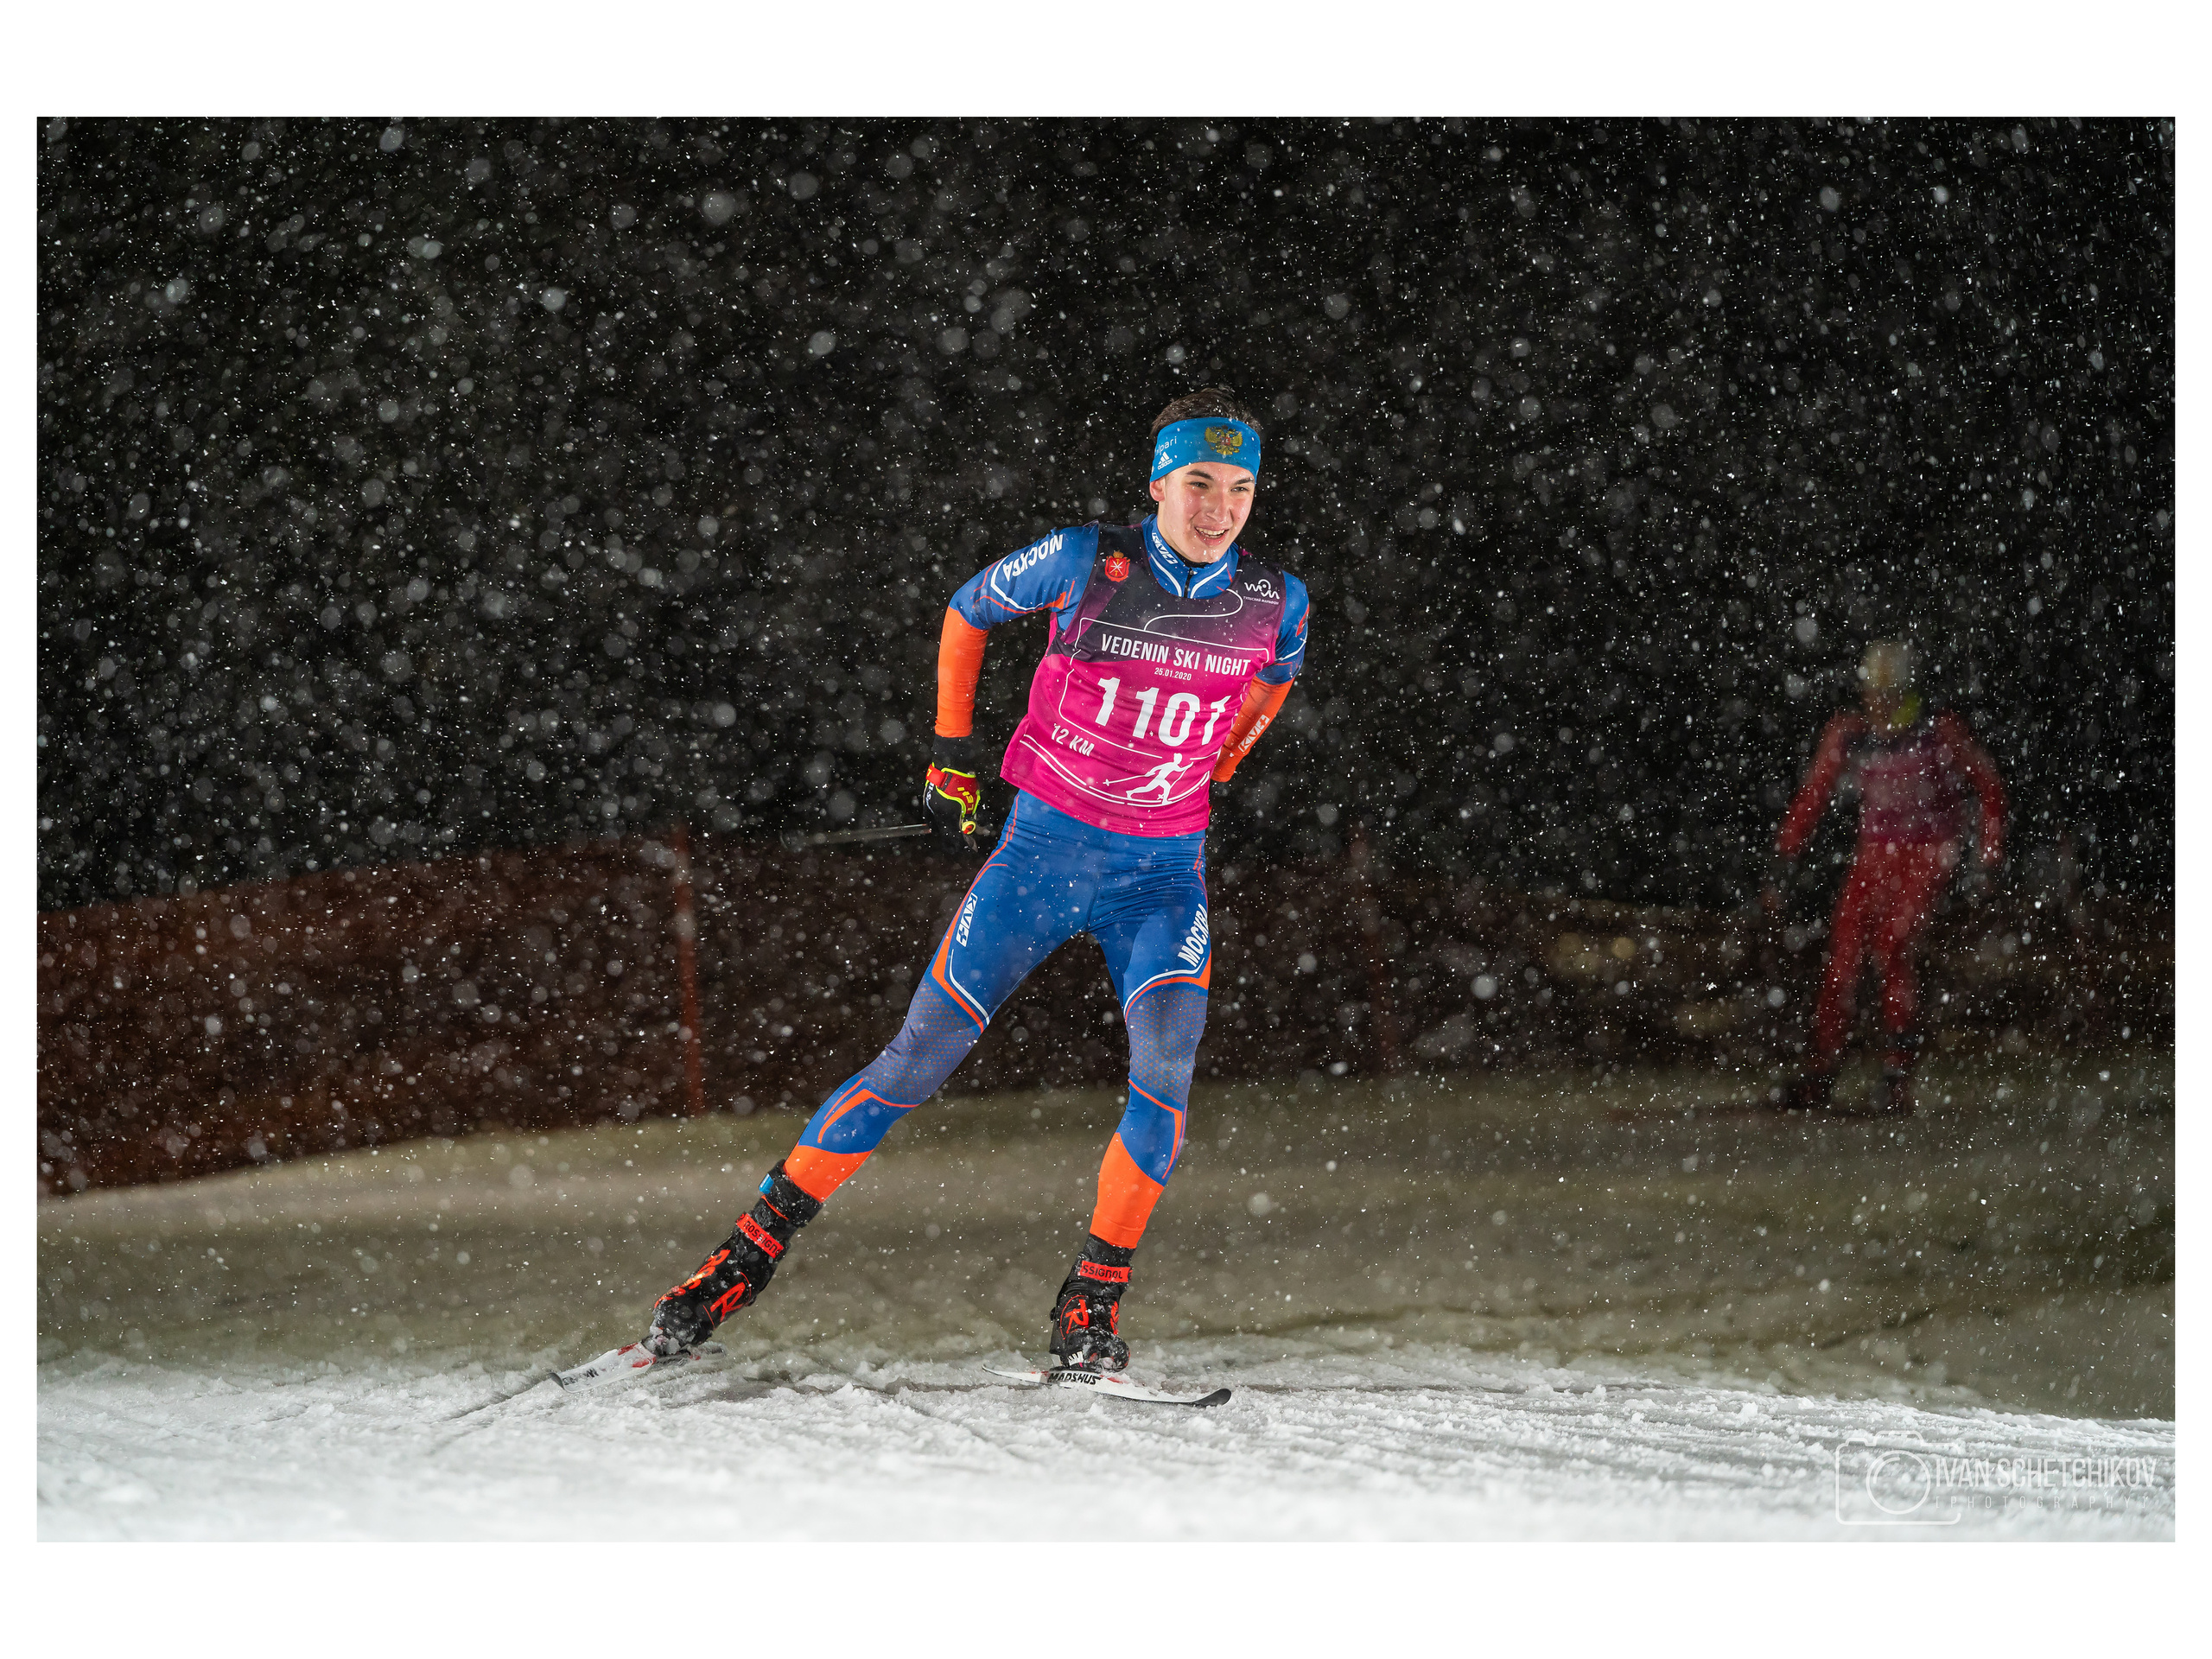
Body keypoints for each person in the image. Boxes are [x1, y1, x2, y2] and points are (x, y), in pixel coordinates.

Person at [641, 389, 1311, 1371]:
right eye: (1199, 484)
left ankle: (1092, 1299)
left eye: (1240, 489)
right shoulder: (1091, 559)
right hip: (1041, 858)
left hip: (1160, 875)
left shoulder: (1274, 600)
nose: (1219, 509)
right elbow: (967, 609)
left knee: (1165, 1074)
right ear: (1158, 483)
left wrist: (1224, 760)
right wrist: (950, 751)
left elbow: (1277, 675)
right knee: (915, 1061)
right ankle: (745, 1255)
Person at [1764, 640, 2005, 1116]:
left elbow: (1989, 787)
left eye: (1890, 694)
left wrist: (1985, 858)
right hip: (1875, 852)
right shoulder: (1851, 734)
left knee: (1893, 946)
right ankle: (1821, 1068)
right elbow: (1815, 793)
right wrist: (1786, 854)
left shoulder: (1937, 731)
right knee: (1843, 954)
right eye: (1874, 693)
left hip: (1931, 850)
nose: (1880, 705)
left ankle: (1898, 1072)